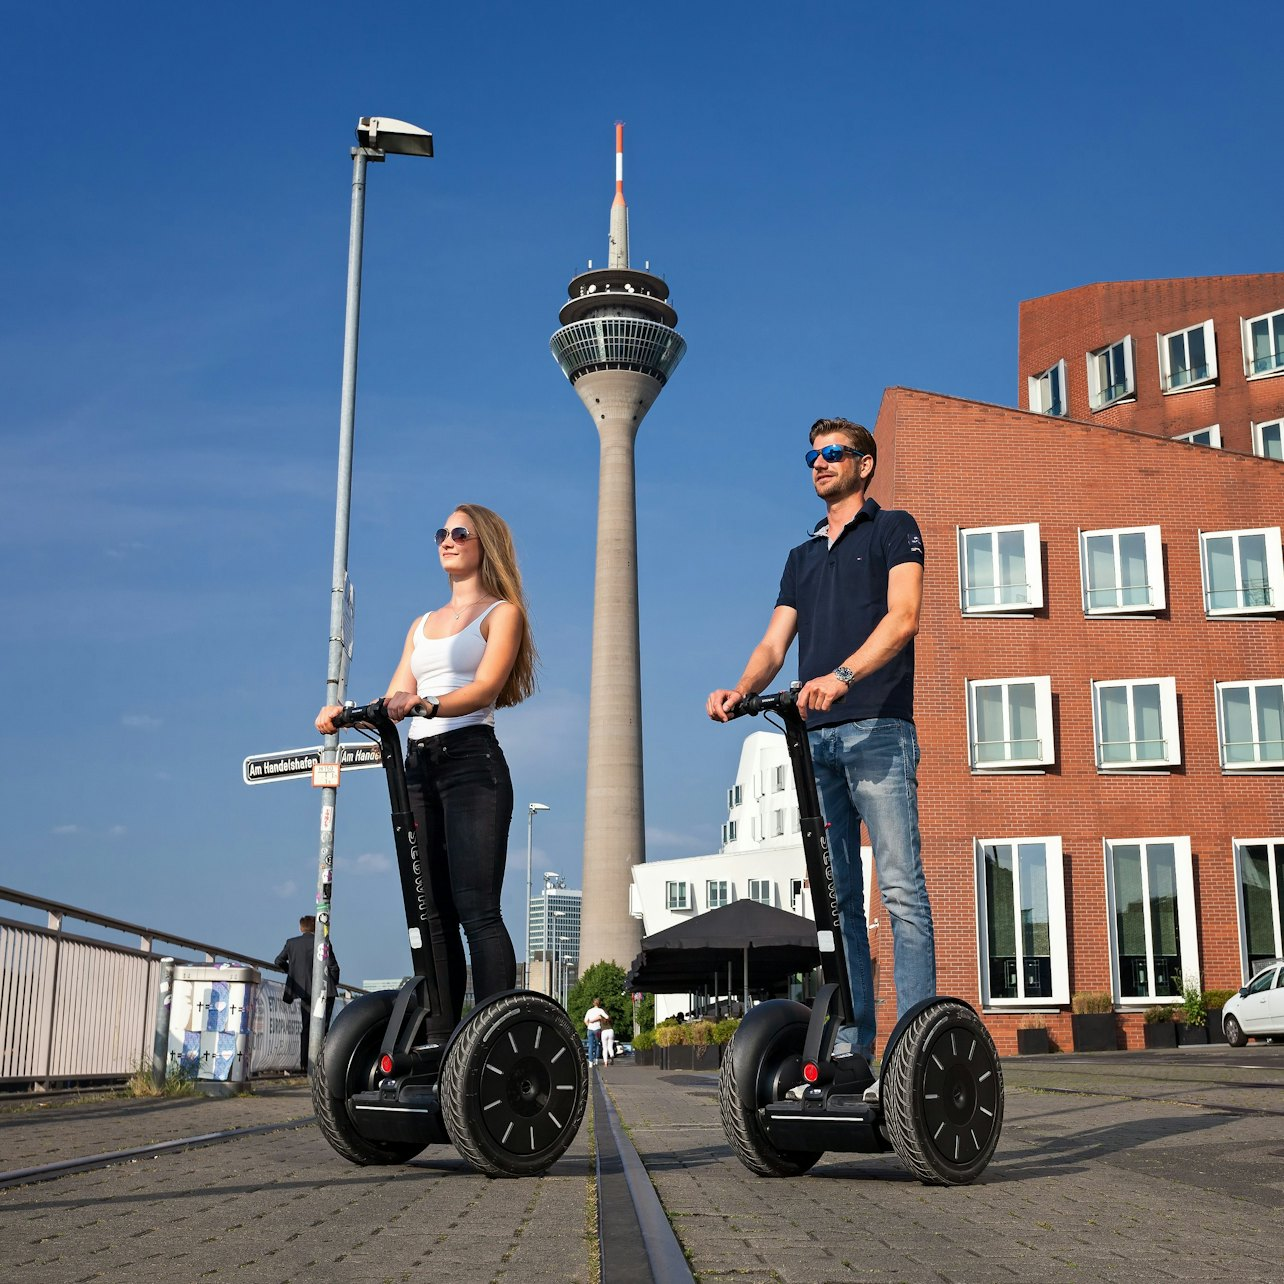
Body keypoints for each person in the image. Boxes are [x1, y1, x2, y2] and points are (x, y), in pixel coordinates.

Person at [707, 417, 935, 1073]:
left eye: (834, 453)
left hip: (878, 732)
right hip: (816, 745)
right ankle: (853, 1042)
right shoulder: (801, 556)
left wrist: (841, 676)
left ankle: (915, 1043)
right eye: (812, 454)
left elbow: (905, 617)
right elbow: (775, 644)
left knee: (901, 892)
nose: (819, 463)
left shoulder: (894, 529)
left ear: (865, 464)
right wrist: (741, 689)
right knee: (838, 905)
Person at [316, 504, 536, 1050]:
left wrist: (428, 705)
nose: (447, 540)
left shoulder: (501, 613)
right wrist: (345, 714)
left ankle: (491, 1039)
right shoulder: (421, 625)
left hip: (472, 764)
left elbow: (485, 688)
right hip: (418, 768)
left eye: (459, 532)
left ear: (484, 543)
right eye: (441, 532)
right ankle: (442, 1041)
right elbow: (393, 696)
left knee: (476, 909)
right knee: (429, 911)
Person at [275, 914, 339, 1074]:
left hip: (304, 991)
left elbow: (278, 961)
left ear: (301, 927)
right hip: (325, 991)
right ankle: (321, 1066)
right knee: (323, 1028)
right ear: (316, 928)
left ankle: (305, 1065)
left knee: (306, 1027)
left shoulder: (292, 943)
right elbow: (333, 967)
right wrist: (333, 983)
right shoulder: (323, 942)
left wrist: (292, 972)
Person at [584, 998, 611, 1067]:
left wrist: (589, 1025)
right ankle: (596, 1059)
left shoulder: (589, 1011)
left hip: (590, 1029)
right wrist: (599, 1018)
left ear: (593, 1003)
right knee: (597, 1044)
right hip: (597, 1029)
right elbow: (607, 1017)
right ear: (599, 1004)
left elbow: (585, 1020)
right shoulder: (600, 1010)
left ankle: (590, 1062)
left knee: (590, 1045)